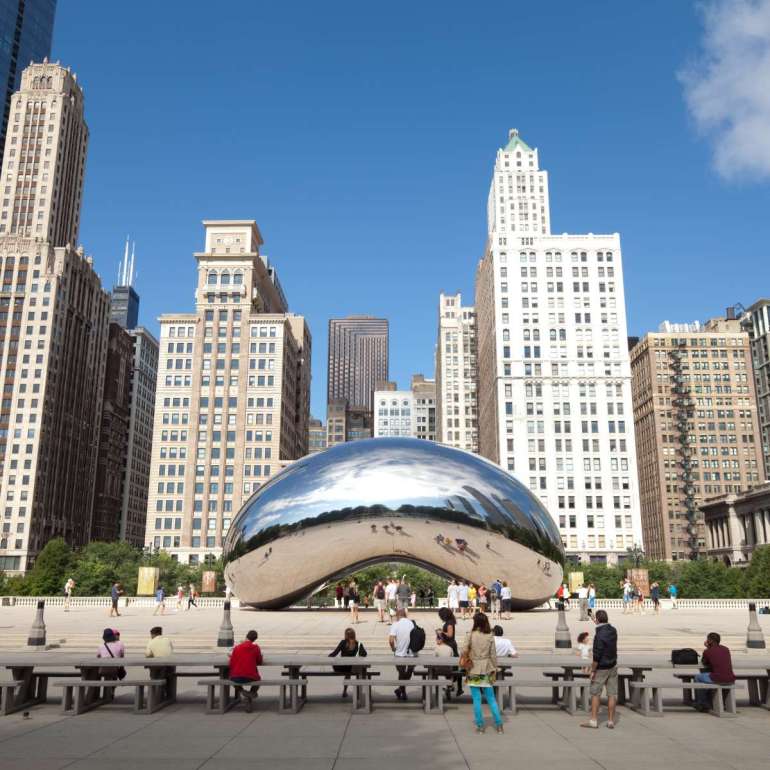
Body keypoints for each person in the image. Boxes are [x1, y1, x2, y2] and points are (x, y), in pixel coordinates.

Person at [461, 612, 504, 734]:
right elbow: (493, 655)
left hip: (474, 668)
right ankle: (499, 724)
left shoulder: (470, 635)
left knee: (476, 699)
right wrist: (495, 667)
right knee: (491, 698)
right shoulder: (490, 635)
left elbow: (463, 650)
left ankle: (480, 725)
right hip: (486, 668)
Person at [581, 609, 618, 729]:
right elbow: (602, 625)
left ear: (598, 620)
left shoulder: (599, 635)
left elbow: (597, 655)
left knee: (595, 693)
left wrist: (592, 671)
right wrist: (594, 618)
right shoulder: (613, 630)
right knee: (611, 694)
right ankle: (611, 721)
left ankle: (593, 720)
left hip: (601, 667)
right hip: (613, 665)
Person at [694, 632, 735, 712]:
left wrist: (707, 648)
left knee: (697, 677)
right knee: (707, 676)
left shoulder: (707, 651)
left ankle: (702, 703)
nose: (706, 640)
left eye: (708, 639)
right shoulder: (726, 649)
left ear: (710, 641)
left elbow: (704, 663)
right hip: (731, 678)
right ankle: (710, 701)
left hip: (718, 678)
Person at [228, 630, 262, 712]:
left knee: (231, 678)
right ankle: (250, 694)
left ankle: (243, 692)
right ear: (255, 639)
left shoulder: (237, 648)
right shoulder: (256, 648)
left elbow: (231, 663)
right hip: (251, 677)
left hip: (236, 677)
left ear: (246, 636)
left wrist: (232, 656)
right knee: (258, 680)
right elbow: (259, 661)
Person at [329, 627, 367, 698]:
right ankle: (358, 692)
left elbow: (334, 653)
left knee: (347, 674)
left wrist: (327, 657)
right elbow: (365, 654)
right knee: (357, 670)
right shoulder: (358, 644)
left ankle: (344, 691)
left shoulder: (343, 642)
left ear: (346, 635)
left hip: (342, 668)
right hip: (352, 668)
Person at [388, 608, 415, 700]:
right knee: (408, 673)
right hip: (411, 653)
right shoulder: (411, 623)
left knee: (401, 673)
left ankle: (401, 690)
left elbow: (391, 640)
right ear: (405, 615)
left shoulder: (395, 624)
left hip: (399, 653)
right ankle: (402, 691)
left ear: (398, 615)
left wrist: (393, 648)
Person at [438, 607, 463, 697]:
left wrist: (442, 633)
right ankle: (453, 685)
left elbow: (450, 635)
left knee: (454, 666)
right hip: (448, 645)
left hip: (450, 646)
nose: (440, 617)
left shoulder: (449, 624)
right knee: (453, 666)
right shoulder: (449, 622)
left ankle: (453, 685)